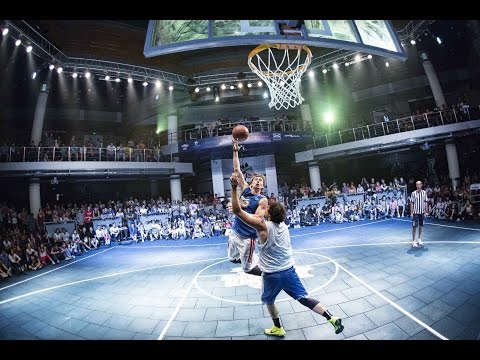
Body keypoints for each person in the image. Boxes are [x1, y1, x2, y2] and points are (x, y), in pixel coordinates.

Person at [230, 172, 344, 337]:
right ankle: (331, 317)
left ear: (269, 214)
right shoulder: (284, 226)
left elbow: (237, 211)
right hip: (289, 270)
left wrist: (234, 189)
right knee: (304, 298)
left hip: (271, 274)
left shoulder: (263, 227)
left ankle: (278, 327)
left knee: (269, 301)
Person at [227, 139, 268, 276]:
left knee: (248, 269)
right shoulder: (245, 190)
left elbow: (257, 218)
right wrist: (235, 151)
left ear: (262, 186)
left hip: (247, 237)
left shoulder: (262, 200)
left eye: (260, 181)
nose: (258, 181)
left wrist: (239, 211)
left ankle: (270, 273)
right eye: (256, 179)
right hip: (235, 231)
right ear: (251, 183)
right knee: (232, 259)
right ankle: (249, 258)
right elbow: (237, 169)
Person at [410, 180, 429, 247]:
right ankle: (413, 241)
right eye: (417, 185)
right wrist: (411, 213)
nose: (418, 186)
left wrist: (426, 211)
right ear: (416, 186)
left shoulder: (424, 193)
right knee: (414, 226)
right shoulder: (413, 193)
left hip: (422, 213)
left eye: (419, 184)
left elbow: (426, 202)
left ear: (421, 185)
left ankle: (419, 239)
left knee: (421, 226)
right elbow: (412, 203)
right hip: (415, 213)